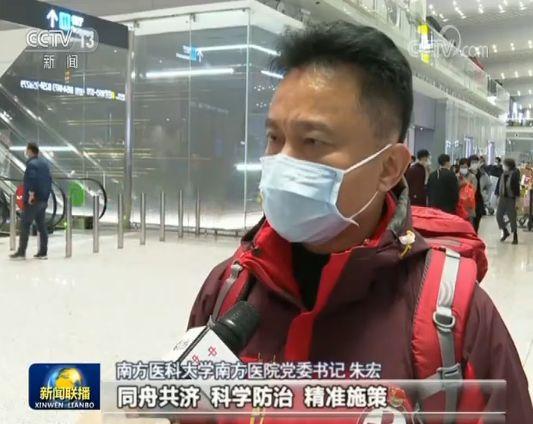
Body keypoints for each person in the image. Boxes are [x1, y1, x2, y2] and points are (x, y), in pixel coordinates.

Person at [187, 22, 532, 420]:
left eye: (313, 141)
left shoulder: (456, 322)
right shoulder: (229, 288)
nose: (282, 162)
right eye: (274, 138)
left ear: (388, 167)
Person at [9, 143, 52, 260]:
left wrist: (31, 195)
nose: (26, 152)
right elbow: (49, 180)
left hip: (33, 200)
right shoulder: (44, 164)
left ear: (30, 151)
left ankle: (21, 252)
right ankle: (43, 252)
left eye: (26, 150)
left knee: (24, 224)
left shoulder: (32, 164)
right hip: (43, 199)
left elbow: (32, 180)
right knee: (41, 226)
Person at [495, 158, 521, 245]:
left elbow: (516, 189)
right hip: (502, 198)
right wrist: (497, 197)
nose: (503, 166)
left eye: (504, 164)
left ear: (509, 166)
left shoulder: (514, 175)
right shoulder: (502, 174)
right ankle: (505, 231)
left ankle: (515, 236)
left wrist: (517, 201)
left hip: (511, 198)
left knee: (512, 217)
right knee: (498, 215)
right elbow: (498, 186)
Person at [468, 154, 491, 233]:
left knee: (477, 220)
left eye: (476, 162)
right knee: (470, 222)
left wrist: (486, 196)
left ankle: (475, 234)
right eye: (472, 162)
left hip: (479, 200)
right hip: (469, 201)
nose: (474, 164)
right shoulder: (466, 174)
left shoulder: (482, 174)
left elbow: (489, 185)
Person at [457, 157, 478, 223]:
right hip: (459, 205)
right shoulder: (456, 176)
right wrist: (461, 184)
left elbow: (474, 190)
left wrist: (467, 183)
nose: (463, 169)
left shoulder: (472, 177)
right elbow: (453, 190)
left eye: (465, 167)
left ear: (468, 167)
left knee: (469, 224)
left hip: (469, 205)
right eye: (462, 167)